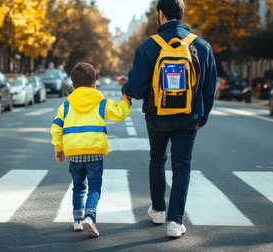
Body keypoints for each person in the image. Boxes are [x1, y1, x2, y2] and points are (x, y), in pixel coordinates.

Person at [121, 0, 217, 238]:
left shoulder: (148, 47)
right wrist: (202, 116)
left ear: (161, 15)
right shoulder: (202, 46)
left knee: (157, 160)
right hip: (189, 116)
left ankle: (158, 210)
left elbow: (136, 87)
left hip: (157, 117)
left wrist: (126, 91)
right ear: (181, 14)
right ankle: (175, 222)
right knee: (182, 166)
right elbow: (209, 87)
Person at [50, 62, 131, 238]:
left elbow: (56, 128)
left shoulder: (65, 106)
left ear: (72, 85)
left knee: (78, 187)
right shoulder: (102, 103)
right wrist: (125, 101)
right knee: (94, 188)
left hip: (74, 155)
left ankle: (78, 220)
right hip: (95, 153)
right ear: (94, 83)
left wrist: (59, 149)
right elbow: (120, 114)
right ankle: (90, 216)